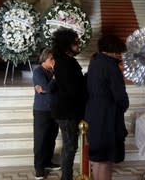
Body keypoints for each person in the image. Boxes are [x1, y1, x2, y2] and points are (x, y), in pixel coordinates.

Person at [85, 35, 130, 180]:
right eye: (119, 51)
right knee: (105, 161)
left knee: (98, 160)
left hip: (93, 114)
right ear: (113, 50)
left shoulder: (95, 62)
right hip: (108, 119)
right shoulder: (111, 66)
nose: (120, 55)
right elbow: (120, 97)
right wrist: (123, 105)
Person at [50, 28, 87, 180]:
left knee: (70, 146)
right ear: (67, 45)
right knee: (70, 147)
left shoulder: (65, 61)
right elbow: (72, 90)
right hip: (67, 112)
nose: (79, 46)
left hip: (66, 110)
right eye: (75, 43)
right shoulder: (65, 63)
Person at [32, 47, 60, 180]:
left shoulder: (53, 71)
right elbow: (47, 89)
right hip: (41, 110)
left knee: (51, 138)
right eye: (51, 59)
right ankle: (39, 168)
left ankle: (48, 162)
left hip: (54, 109)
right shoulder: (38, 72)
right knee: (40, 139)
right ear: (45, 58)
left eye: (54, 58)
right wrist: (55, 79)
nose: (54, 61)